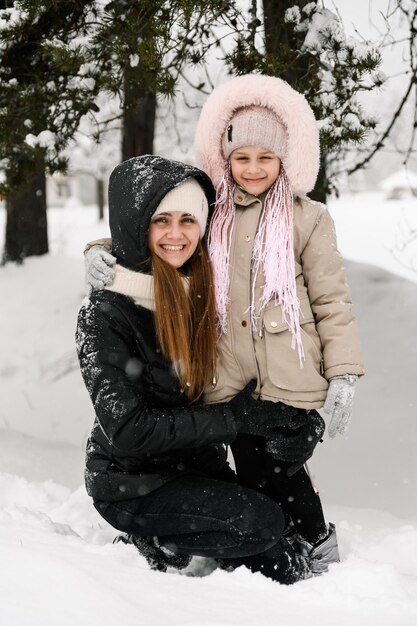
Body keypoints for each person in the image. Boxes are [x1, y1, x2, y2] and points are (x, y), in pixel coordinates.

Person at [83, 75, 365, 575]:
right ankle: (173, 538)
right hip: (182, 424)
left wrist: (340, 374)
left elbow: (331, 299)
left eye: (265, 157)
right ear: (227, 159)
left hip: (264, 390)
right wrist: (99, 254)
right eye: (242, 158)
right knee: (259, 503)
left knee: (279, 468)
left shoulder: (297, 224)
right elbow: (151, 230)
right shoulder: (206, 217)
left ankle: (310, 539)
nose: (253, 169)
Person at [76, 154, 314, 585]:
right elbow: (129, 431)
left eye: (188, 220)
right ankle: (149, 538)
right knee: (260, 526)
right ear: (136, 223)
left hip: (197, 466)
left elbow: (261, 356)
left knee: (280, 538)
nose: (176, 234)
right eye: (160, 219)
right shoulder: (104, 314)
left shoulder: (204, 290)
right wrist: (231, 419)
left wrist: (300, 420)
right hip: (134, 482)